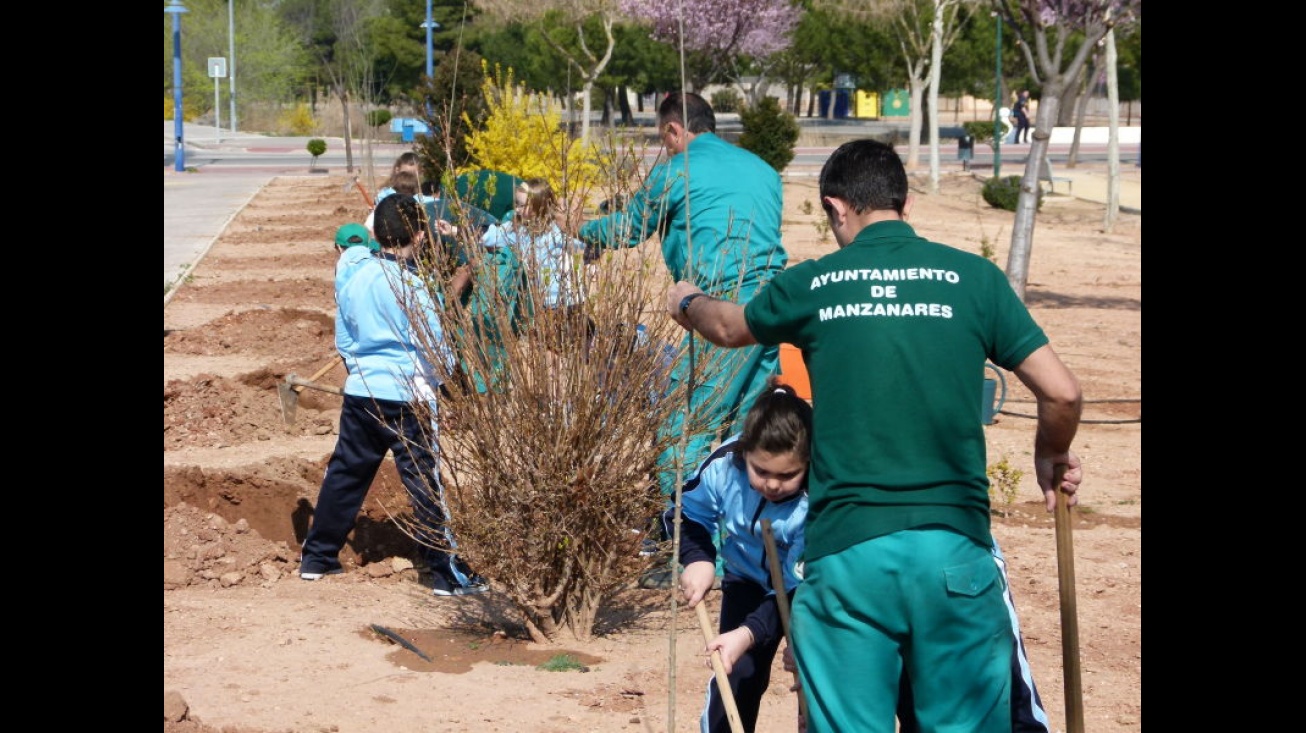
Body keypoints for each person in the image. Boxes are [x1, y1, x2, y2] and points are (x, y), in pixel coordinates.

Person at [665, 138, 1083, 732]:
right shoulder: (976, 279)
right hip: (954, 553)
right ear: (903, 204)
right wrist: (1051, 453)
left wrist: (687, 300)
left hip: (848, 559)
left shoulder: (813, 283)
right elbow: (1062, 393)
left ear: (837, 209)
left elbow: (729, 327)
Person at [676, 379, 1052, 733]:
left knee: (818, 676)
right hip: (746, 579)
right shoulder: (725, 465)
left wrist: (756, 633)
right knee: (736, 671)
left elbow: (803, 582)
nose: (772, 484)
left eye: (787, 474)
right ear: (744, 454)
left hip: (806, 588)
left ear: (809, 463)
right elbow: (685, 512)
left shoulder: (824, 497)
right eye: (761, 472)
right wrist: (698, 557)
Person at [578, 91, 788, 543]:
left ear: (674, 130)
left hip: (722, 311)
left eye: (664, 138)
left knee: (683, 428)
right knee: (747, 429)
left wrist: (579, 229)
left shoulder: (676, 170)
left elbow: (627, 228)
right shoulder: (764, 170)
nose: (665, 147)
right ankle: (746, 545)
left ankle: (691, 549)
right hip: (774, 309)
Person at [300, 193, 489, 597]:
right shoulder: (415, 289)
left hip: (362, 393)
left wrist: (361, 369)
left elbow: (346, 337)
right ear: (419, 237)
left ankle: (317, 558)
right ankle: (446, 573)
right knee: (425, 483)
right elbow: (436, 348)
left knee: (346, 473)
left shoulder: (355, 278)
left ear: (377, 234)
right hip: (409, 397)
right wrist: (443, 382)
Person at [487, 178, 592, 346]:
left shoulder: (554, 229)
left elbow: (582, 246)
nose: (518, 209)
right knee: (554, 345)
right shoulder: (518, 228)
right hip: (544, 300)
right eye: (517, 204)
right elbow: (492, 236)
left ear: (538, 205)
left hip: (563, 298)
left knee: (562, 344)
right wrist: (455, 230)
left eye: (522, 205)